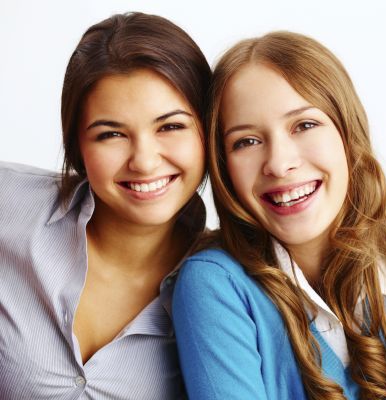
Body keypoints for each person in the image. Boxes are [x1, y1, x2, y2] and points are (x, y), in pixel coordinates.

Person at [173, 31, 386, 400]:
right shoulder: (217, 285)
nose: (279, 163)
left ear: (348, 133)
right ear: (225, 168)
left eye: (304, 125)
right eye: (246, 141)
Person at [0, 12, 211, 399]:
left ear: (207, 131)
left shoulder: (228, 287)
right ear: (78, 147)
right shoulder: (8, 201)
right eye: (111, 134)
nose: (144, 161)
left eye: (170, 126)